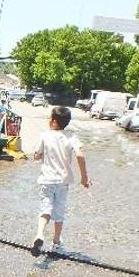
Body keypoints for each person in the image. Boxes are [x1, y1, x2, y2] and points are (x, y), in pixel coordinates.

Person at [31, 106, 90, 256]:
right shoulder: (71, 136)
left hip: (47, 180)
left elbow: (37, 155)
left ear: (53, 121)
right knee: (59, 213)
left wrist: (37, 155)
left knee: (45, 209)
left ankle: (39, 234)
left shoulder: (45, 135)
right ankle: (56, 243)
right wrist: (84, 177)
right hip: (63, 181)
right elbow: (80, 156)